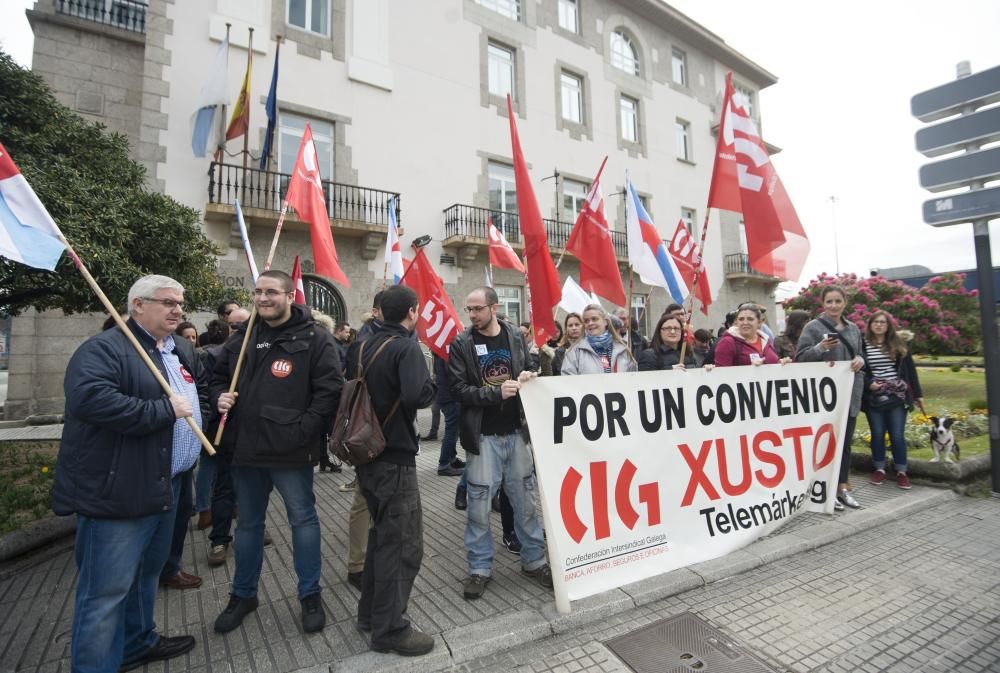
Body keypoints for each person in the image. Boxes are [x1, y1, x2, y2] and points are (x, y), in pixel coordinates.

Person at [53, 275, 204, 673]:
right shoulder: (105, 349)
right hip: (118, 492)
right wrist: (163, 412)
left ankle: (137, 643)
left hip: (165, 485)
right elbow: (90, 399)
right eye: (167, 302)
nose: (177, 310)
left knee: (146, 575)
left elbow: (194, 391)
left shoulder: (175, 349)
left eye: (180, 303)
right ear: (137, 305)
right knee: (105, 593)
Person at [211, 270, 343, 635]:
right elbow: (217, 378)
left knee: (303, 521)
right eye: (258, 292)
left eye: (271, 292)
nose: (263, 298)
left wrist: (303, 431)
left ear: (289, 296)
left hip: (290, 451)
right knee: (249, 525)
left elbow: (329, 390)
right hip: (245, 450)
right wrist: (217, 397)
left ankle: (310, 595)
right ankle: (243, 594)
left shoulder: (315, 337)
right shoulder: (243, 336)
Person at [345, 285, 437, 656]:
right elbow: (418, 396)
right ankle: (390, 630)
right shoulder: (406, 347)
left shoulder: (361, 345)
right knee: (402, 546)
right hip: (394, 454)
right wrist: (430, 384)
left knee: (382, 536)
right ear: (412, 312)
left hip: (365, 451)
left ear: (379, 311)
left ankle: (369, 614)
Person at [448, 287, 552, 600]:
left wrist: (529, 376)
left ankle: (534, 561)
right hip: (483, 437)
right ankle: (479, 569)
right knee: (479, 505)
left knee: (525, 501)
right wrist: (494, 394)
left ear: (494, 308)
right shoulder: (462, 342)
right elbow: (457, 390)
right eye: (468, 309)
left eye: (477, 308)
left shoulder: (515, 337)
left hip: (517, 434)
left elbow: (529, 368)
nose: (471, 314)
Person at [795, 285, 866, 511]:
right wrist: (820, 348)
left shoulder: (854, 329)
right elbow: (800, 359)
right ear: (822, 304)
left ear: (845, 302)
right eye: (829, 302)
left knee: (844, 444)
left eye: (838, 301)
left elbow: (860, 354)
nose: (834, 306)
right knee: (824, 444)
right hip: (823, 399)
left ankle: (843, 487)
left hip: (849, 395)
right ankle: (823, 488)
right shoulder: (813, 327)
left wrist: (860, 361)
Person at [862, 311, 923, 490]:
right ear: (870, 325)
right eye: (875, 322)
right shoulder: (862, 345)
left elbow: (911, 371)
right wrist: (869, 384)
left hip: (897, 396)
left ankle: (901, 471)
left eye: (882, 322)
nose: (879, 325)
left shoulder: (898, 344)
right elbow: (859, 370)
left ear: (888, 325)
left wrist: (918, 395)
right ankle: (879, 468)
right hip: (874, 397)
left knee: (897, 435)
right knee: (878, 434)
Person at [562, 304, 637, 375]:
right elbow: (569, 383)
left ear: (605, 322)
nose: (590, 323)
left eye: (594, 319)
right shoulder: (575, 352)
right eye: (586, 321)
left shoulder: (623, 350)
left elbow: (632, 380)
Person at [713, 305, 786, 367]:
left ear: (759, 323)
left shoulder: (766, 340)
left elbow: (774, 364)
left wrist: (782, 363)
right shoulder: (727, 342)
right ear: (736, 322)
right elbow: (722, 375)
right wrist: (750, 370)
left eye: (750, 319)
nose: (745, 322)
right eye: (741, 319)